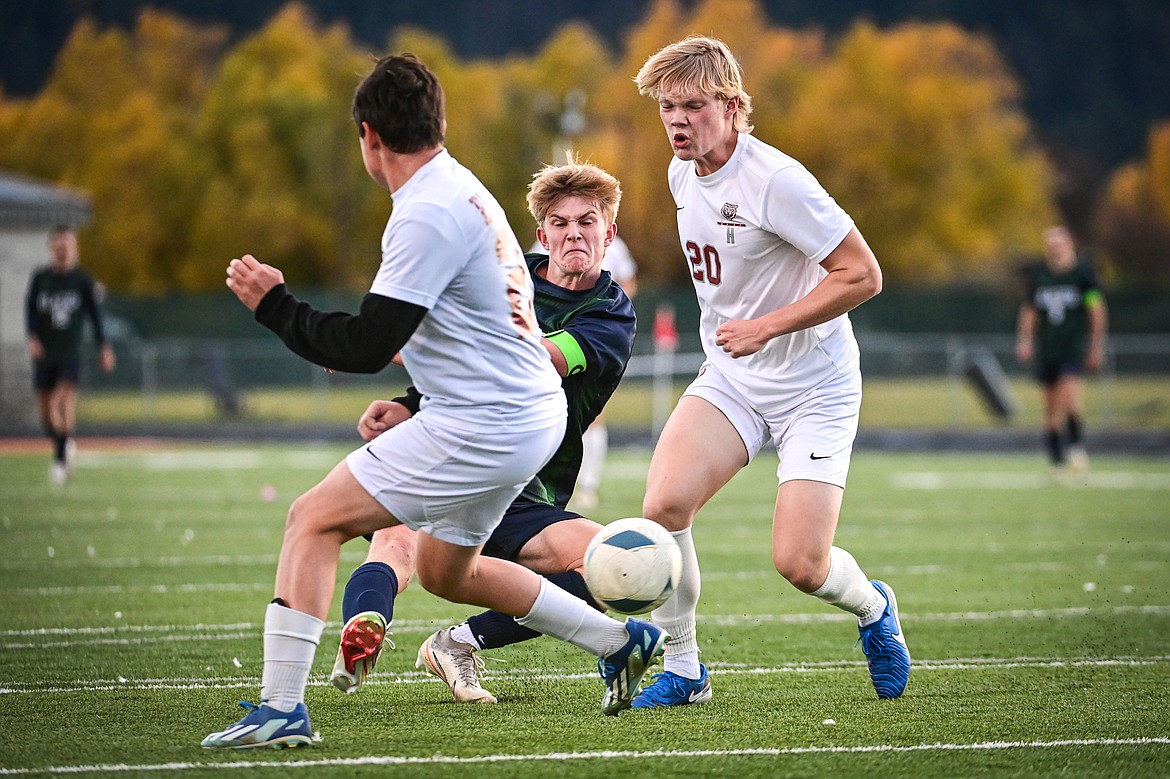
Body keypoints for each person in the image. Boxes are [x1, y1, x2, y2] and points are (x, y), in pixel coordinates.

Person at [201, 54, 664, 749]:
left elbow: (363, 343)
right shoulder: (462, 189)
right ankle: (617, 640)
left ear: (368, 138)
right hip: (523, 414)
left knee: (313, 519)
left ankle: (280, 707)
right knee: (451, 570)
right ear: (439, 123)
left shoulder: (425, 212)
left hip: (487, 421)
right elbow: (455, 330)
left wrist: (275, 305)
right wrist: (415, 397)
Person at [630, 36, 910, 707]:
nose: (676, 120)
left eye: (693, 105)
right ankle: (686, 667)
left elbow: (864, 275)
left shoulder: (777, 180)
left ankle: (873, 608)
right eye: (667, 106)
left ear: (731, 106)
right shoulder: (680, 172)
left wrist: (768, 325)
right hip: (733, 376)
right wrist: (742, 337)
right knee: (663, 506)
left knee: (801, 564)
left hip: (814, 382)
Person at [330, 159, 636, 704]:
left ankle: (457, 644)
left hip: (526, 486)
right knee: (397, 542)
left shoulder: (610, 314)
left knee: (617, 567)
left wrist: (385, 348)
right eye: (560, 224)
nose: (574, 234)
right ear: (541, 234)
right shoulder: (503, 279)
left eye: (587, 222)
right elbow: (445, 340)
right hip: (449, 446)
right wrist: (408, 404)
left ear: (609, 232)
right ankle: (365, 627)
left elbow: (533, 364)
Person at [24, 225, 116, 484]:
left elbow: (95, 316)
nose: (63, 251)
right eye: (58, 246)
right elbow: (30, 311)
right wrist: (32, 337)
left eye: (67, 246)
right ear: (52, 248)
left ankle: (60, 459)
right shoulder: (41, 278)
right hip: (46, 354)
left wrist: (104, 346)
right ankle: (65, 445)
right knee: (45, 413)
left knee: (60, 402)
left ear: (73, 248)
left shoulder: (82, 280)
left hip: (69, 353)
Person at [1014, 225, 1108, 472]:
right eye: (1050, 245)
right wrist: (1025, 340)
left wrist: (1096, 346)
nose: (1054, 249)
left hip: (1072, 346)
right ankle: (1056, 460)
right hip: (1048, 348)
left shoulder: (1082, 275)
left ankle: (1076, 447)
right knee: (1050, 408)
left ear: (1069, 244)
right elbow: (1030, 310)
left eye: (1058, 244)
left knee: (1070, 399)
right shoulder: (1040, 275)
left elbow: (1096, 309)